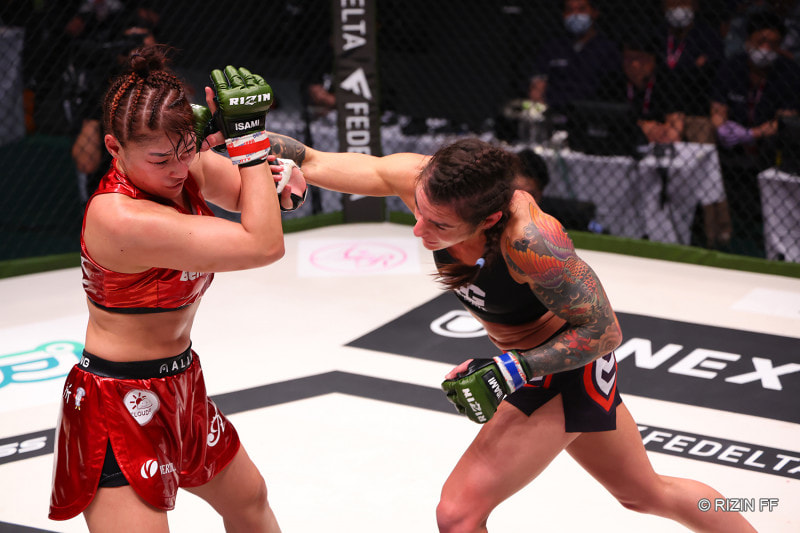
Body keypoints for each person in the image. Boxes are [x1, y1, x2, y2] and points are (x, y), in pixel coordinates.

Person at [264, 133, 756, 532]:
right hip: (533, 365)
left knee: (458, 514)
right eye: (418, 210)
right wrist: (243, 136)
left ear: (490, 220)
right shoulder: (431, 184)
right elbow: (315, 159)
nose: (419, 230)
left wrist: (515, 368)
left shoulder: (531, 241)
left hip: (566, 368)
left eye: (439, 225)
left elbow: (604, 332)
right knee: (645, 494)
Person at [48, 46, 305, 532]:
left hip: (183, 383)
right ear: (114, 148)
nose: (178, 169)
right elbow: (263, 244)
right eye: (160, 158)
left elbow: (260, 199)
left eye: (186, 151)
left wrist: (279, 179)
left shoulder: (187, 167)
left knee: (250, 500)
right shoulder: (117, 216)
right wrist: (249, 143)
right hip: (117, 400)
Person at [710, 7, 800, 255]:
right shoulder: (732, 66)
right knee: (708, 136)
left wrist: (752, 134)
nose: (766, 49)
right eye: (761, 41)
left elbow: (787, 120)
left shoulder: (790, 72)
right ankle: (719, 232)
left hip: (769, 145)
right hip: (731, 143)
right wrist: (722, 126)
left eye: (773, 44)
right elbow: (717, 107)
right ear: (748, 40)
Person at [527, 0, 622, 128]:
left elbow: (612, 92)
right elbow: (537, 87)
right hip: (554, 116)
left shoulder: (608, 48)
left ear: (594, 12)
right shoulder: (552, 47)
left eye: (581, 9)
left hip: (593, 119)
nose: (575, 15)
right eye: (570, 10)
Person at [600, 31, 686, 144]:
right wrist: (642, 127)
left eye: (640, 58)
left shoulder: (668, 81)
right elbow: (603, 121)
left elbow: (676, 130)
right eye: (628, 58)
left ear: (653, 60)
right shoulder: (613, 81)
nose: (634, 64)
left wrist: (658, 131)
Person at [658, 0, 725, 143]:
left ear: (695, 5)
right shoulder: (659, 33)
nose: (678, 8)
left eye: (683, 3)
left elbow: (708, 74)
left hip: (697, 110)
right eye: (673, 4)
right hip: (661, 107)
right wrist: (692, 67)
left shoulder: (708, 36)